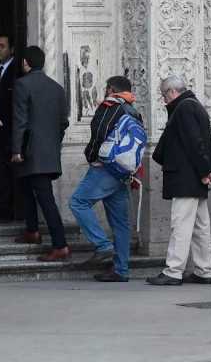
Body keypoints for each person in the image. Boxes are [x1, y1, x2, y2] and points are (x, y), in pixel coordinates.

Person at [69, 76, 142, 282]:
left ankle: (103, 246)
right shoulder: (133, 111)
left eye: (105, 88)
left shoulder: (110, 106)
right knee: (120, 223)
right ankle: (121, 270)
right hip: (122, 172)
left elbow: (98, 134)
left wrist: (91, 157)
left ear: (111, 89)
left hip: (104, 169)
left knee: (78, 202)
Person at [146, 76, 211, 286]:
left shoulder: (184, 109)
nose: (164, 101)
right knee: (200, 226)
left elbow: (194, 142)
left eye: (163, 96)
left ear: (171, 92)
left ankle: (173, 271)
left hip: (186, 176)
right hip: (195, 176)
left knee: (181, 225)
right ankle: (204, 270)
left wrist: (205, 170)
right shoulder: (195, 106)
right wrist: (208, 169)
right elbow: (207, 142)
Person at [10, 46, 71, 261]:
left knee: (45, 198)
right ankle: (32, 230)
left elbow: (20, 120)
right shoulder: (57, 88)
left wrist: (16, 150)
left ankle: (60, 244)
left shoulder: (22, 84)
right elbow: (64, 122)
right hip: (48, 151)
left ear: (25, 62)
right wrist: (53, 142)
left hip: (30, 150)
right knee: (26, 187)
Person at [0, 34, 21, 222]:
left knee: (10, 171)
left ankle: (12, 209)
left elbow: (16, 102)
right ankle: (0, 208)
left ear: (12, 49)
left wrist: (4, 121)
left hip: (10, 130)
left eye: (2, 46)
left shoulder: (16, 70)